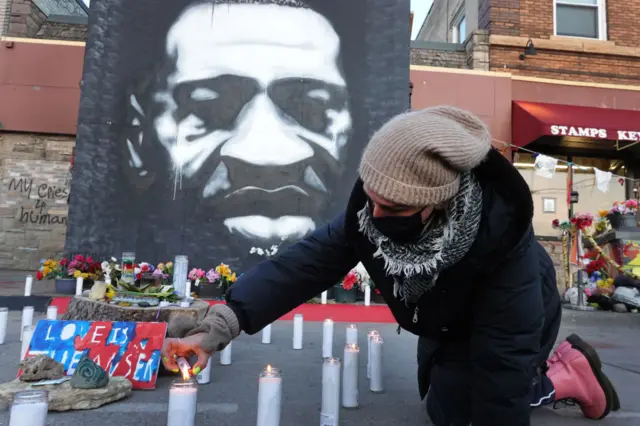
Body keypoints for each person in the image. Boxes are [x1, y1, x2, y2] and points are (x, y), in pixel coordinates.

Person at [161, 106, 619, 425]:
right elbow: (303, 265)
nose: (374, 220)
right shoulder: (371, 213)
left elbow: (503, 361)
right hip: (444, 319)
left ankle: (566, 373)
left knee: (488, 404)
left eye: (393, 209)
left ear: (436, 206)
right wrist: (221, 324)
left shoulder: (505, 250)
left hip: (510, 316)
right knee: (446, 411)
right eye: (371, 200)